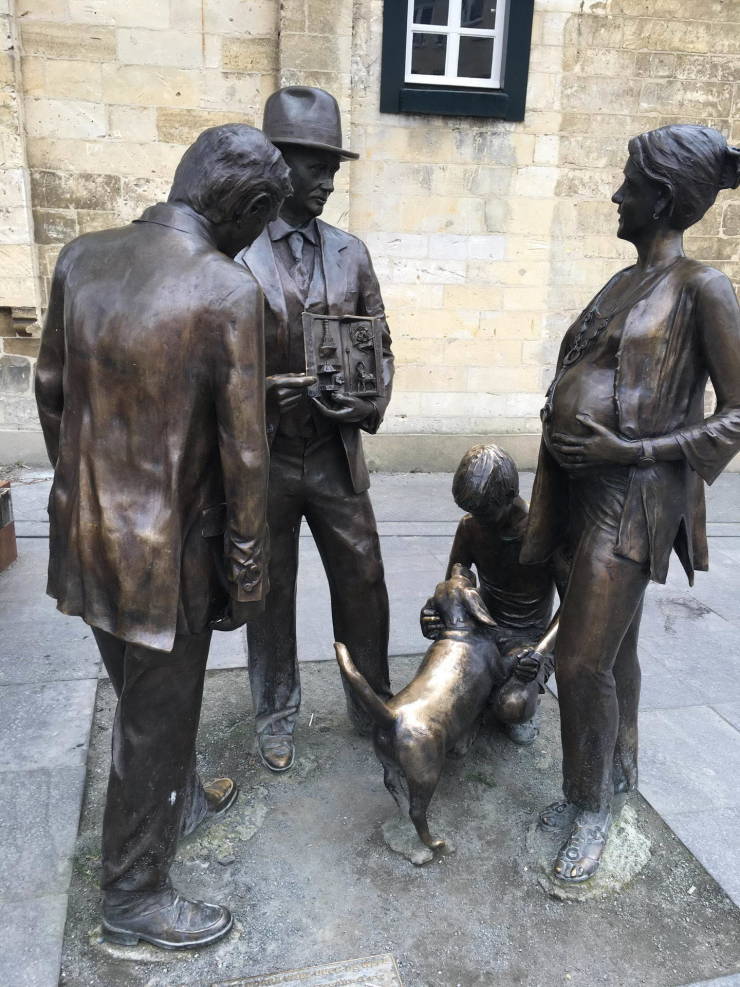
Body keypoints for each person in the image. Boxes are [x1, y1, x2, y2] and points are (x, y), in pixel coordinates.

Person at [35, 125, 291, 948]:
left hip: (87, 531)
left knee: (140, 694)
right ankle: (134, 895)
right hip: (166, 555)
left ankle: (172, 791)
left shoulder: (82, 256)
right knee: (156, 714)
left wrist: (88, 488)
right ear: (247, 209)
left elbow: (50, 391)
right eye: (261, 223)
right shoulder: (227, 291)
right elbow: (245, 453)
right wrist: (248, 574)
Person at [521, 125, 740, 883]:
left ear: (664, 198)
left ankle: (589, 808)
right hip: (578, 492)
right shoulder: (621, 282)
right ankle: (620, 776)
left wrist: (634, 452)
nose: (616, 195)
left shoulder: (703, 288)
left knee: (581, 662)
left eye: (628, 185)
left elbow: (739, 411)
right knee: (617, 651)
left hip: (634, 499)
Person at [235, 86, 394, 773]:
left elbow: (381, 347)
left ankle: (372, 701)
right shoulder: (234, 254)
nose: (328, 182)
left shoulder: (350, 253)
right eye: (315, 167)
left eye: (333, 168)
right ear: (277, 164)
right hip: (265, 457)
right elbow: (214, 362)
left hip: (334, 454)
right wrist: (268, 393)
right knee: (267, 590)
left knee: (362, 578)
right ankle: (275, 711)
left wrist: (364, 403)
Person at [420, 444, 564, 746]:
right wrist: (434, 611)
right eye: (472, 512)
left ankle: (509, 694)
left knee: (511, 706)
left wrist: (540, 653)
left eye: (485, 512)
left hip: (527, 639)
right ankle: (481, 692)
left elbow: (574, 605)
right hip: (481, 629)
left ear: (509, 497)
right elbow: (454, 583)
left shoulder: (546, 533)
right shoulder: (470, 527)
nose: (478, 519)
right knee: (436, 685)